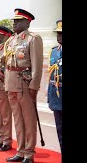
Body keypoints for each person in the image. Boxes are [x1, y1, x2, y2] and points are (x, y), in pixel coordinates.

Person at [3, 8, 43, 163]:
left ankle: (29, 154)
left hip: (24, 85)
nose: (14, 23)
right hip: (11, 84)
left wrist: (34, 86)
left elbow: (37, 65)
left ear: (27, 22)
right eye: (14, 20)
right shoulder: (11, 40)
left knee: (29, 120)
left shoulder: (33, 39)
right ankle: (20, 151)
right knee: (18, 120)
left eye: (18, 21)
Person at [47, 20, 62, 153]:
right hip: (56, 97)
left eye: (61, 33)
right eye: (58, 33)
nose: (59, 36)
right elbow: (51, 76)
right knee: (60, 129)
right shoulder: (54, 52)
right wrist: (49, 97)